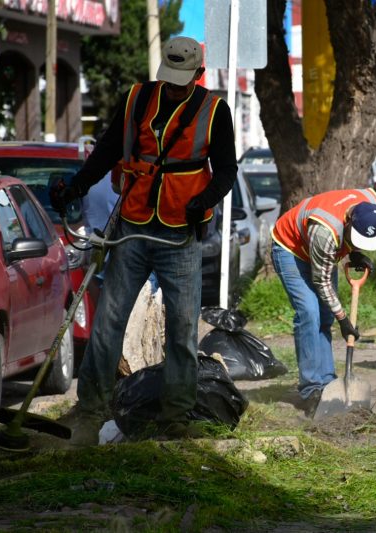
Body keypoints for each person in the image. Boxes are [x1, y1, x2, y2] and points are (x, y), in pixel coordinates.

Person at [50, 36, 237, 444]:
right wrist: (77, 187)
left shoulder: (215, 111)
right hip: (133, 226)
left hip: (180, 236)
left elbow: (226, 171)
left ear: (198, 74)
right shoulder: (137, 98)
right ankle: (90, 409)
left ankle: (175, 418)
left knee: (183, 328)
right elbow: (106, 151)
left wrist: (202, 201)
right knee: (108, 322)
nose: (173, 87)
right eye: (168, 80)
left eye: (181, 81)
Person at [271, 190, 376, 417]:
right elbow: (321, 281)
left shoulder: (374, 207)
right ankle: (311, 389)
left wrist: (355, 252)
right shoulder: (326, 230)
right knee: (309, 313)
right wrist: (344, 319)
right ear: (349, 222)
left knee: (325, 316)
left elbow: (354, 237)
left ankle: (327, 381)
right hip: (291, 249)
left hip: (321, 248)